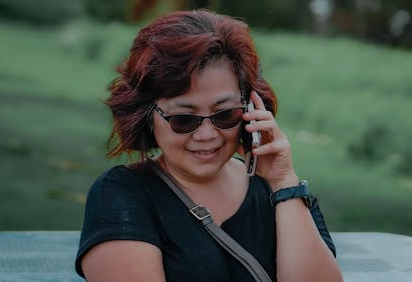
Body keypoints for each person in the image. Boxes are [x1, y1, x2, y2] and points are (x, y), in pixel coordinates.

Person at [75, 9, 343, 282]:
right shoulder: (122, 194)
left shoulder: (283, 193)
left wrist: (284, 183)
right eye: (183, 119)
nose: (206, 134)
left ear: (251, 109)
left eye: (224, 114)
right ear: (145, 115)